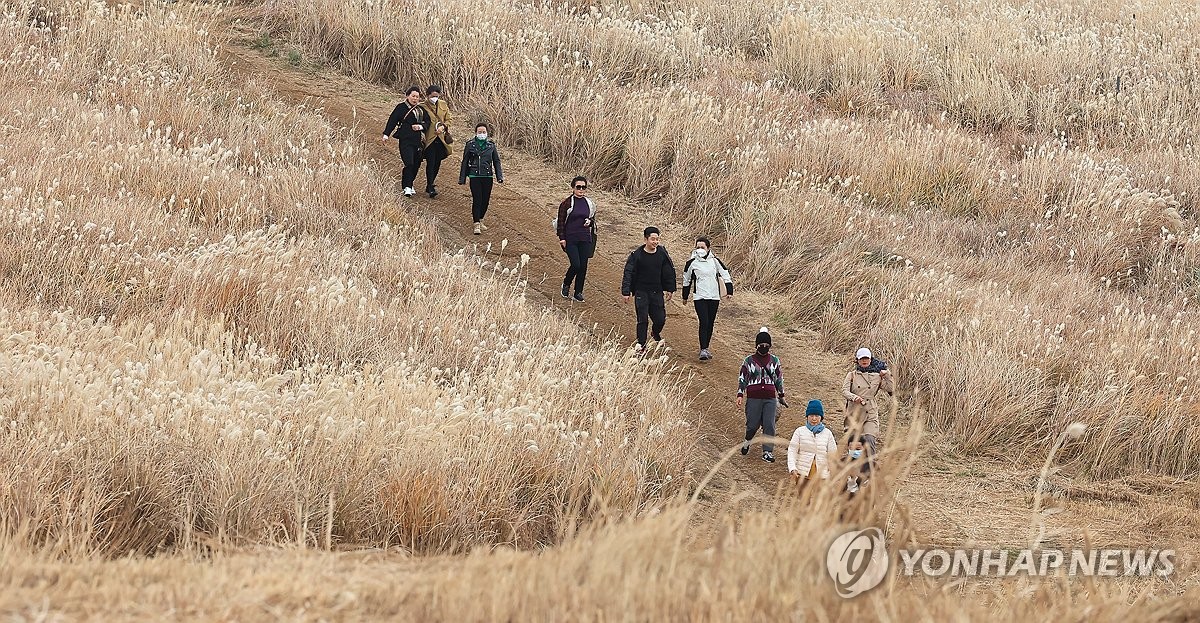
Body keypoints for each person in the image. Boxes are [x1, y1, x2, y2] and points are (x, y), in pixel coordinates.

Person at [737, 327, 789, 462]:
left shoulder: (775, 361)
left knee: (769, 424)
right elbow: (743, 378)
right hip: (754, 397)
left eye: (767, 345)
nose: (764, 347)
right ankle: (748, 440)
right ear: (756, 346)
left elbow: (779, 378)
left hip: (770, 398)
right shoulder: (748, 361)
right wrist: (740, 394)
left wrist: (781, 395)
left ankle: (767, 452)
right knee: (752, 425)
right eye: (762, 345)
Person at [621, 227, 677, 352]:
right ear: (646, 239)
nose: (655, 242)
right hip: (641, 291)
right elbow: (628, 273)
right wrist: (626, 291)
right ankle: (641, 344)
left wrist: (670, 289)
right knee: (642, 319)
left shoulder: (662, 253)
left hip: (657, 291)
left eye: (657, 239)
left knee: (660, 319)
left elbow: (668, 272)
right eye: (653, 239)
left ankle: (655, 333)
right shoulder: (636, 255)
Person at [681, 236, 733, 361]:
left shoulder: (715, 261)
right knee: (703, 321)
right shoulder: (691, 263)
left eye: (702, 247)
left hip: (714, 296)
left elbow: (725, 275)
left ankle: (706, 347)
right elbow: (686, 280)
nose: (700, 249)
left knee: (710, 322)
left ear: (708, 248)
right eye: (698, 247)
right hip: (699, 296)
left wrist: (729, 291)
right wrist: (685, 296)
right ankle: (703, 349)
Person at [842, 347, 894, 473]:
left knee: (870, 439)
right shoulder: (852, 375)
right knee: (854, 441)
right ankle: (852, 469)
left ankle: (870, 468)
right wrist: (854, 398)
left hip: (870, 410)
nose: (864, 361)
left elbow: (891, 388)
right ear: (857, 361)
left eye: (866, 358)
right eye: (862, 359)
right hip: (854, 411)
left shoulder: (877, 376)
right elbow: (844, 391)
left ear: (871, 359)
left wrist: (886, 374)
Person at [379, 86, 428, 197]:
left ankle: (410, 183)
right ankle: (407, 186)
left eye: (417, 97)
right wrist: (386, 134)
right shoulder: (401, 108)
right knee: (409, 163)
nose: (415, 99)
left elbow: (427, 122)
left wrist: (420, 126)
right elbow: (392, 121)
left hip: (419, 141)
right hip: (405, 140)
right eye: (413, 96)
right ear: (407, 96)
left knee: (416, 164)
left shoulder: (421, 110)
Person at [459, 123, 504, 235]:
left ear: (487, 133)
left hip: (487, 176)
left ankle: (481, 218)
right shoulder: (470, 145)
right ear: (476, 133)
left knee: (486, 200)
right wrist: (462, 178)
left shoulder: (491, 146)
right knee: (477, 198)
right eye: (479, 132)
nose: (482, 134)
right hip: (474, 175)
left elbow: (496, 161)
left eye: (484, 132)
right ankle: (476, 223)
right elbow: (464, 161)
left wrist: (499, 176)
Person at [557, 176, 596, 303]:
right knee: (576, 264)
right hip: (571, 238)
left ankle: (578, 292)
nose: (581, 189)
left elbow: (593, 221)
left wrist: (589, 222)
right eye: (578, 187)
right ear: (573, 188)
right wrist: (562, 238)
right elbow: (561, 222)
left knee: (583, 266)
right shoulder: (566, 203)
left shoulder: (589, 204)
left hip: (585, 238)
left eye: (583, 187)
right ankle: (566, 283)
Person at [788, 400, 838, 494]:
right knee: (804, 501)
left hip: (822, 474)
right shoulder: (800, 431)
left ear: (821, 417)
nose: (814, 419)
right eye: (811, 416)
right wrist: (792, 468)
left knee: (820, 503)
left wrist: (832, 471)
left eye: (817, 416)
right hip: (803, 473)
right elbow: (792, 450)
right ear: (807, 417)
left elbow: (833, 454)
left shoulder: (827, 433)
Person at [420, 85, 452, 199]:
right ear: (428, 95)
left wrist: (443, 127)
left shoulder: (443, 104)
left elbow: (448, 119)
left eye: (437, 96)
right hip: (429, 139)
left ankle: (431, 182)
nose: (435, 98)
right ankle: (430, 185)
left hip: (441, 139)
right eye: (433, 96)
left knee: (437, 162)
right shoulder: (422, 106)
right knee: (431, 162)